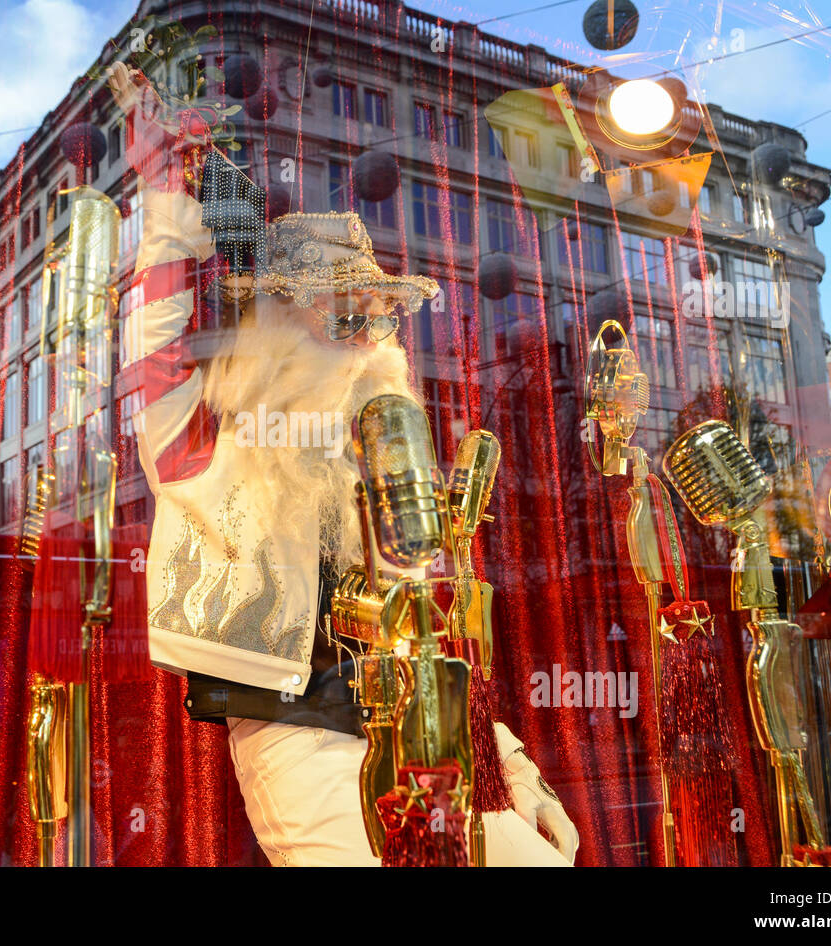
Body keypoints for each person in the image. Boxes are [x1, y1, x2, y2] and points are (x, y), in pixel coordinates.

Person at [108, 62, 578, 866]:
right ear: (282, 315)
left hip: (431, 732)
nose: (364, 336)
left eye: (375, 315)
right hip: (303, 736)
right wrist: (168, 200)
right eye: (342, 311)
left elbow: (430, 627)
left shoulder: (377, 452)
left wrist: (514, 769)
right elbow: (154, 337)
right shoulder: (213, 441)